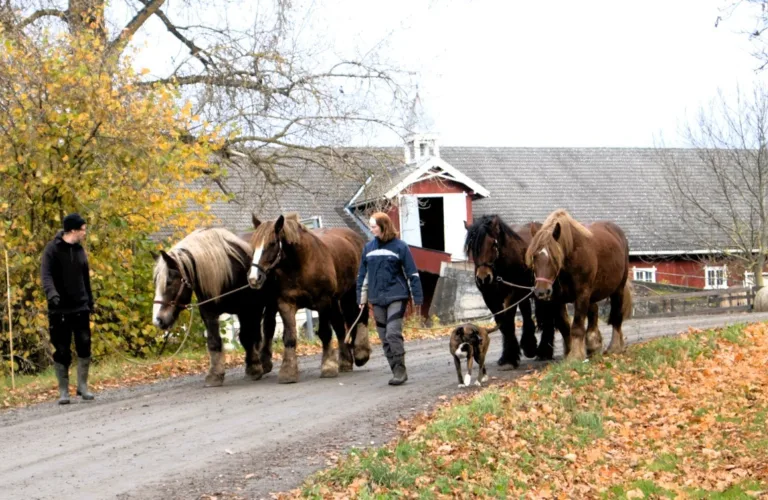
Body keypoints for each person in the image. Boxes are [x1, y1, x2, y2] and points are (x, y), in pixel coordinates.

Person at [356, 212, 423, 385]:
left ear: (383, 226)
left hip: (397, 296)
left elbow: (412, 273)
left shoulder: (400, 247)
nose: (371, 230)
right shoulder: (368, 248)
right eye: (370, 226)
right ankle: (395, 369)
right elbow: (363, 276)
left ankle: (401, 370)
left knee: (393, 333)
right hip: (376, 298)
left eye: (374, 226)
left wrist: (417, 297)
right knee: (384, 337)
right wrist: (361, 298)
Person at [41, 213, 95, 404]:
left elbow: (85, 278)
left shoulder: (80, 250)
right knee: (62, 349)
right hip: (59, 310)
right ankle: (64, 391)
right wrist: (52, 294)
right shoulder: (52, 250)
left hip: (80, 307)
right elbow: (45, 275)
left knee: (84, 345)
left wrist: (90, 300)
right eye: (82, 229)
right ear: (72, 230)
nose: (84, 233)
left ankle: (83, 386)